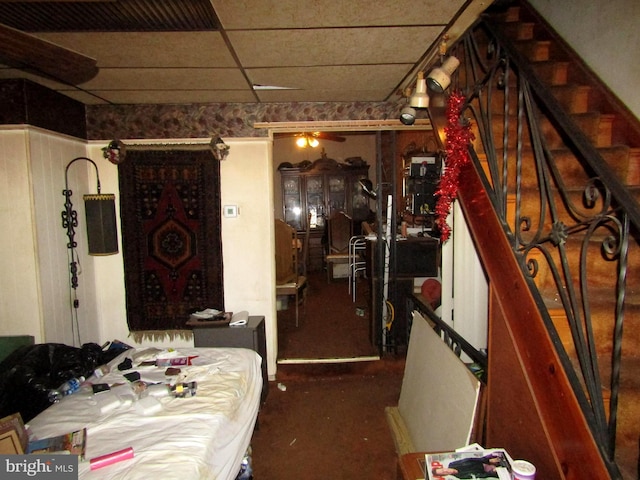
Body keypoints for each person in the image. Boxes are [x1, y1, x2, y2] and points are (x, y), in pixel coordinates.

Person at [431, 453, 505, 479]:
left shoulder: (453, 464)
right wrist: (492, 472)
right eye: (443, 473)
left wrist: (487, 460)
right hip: (486, 471)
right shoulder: (460, 476)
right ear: (445, 475)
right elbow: (479, 476)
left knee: (496, 454)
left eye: (443, 470)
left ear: (443, 467)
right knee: (502, 471)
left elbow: (469, 460)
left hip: (483, 461)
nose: (445, 471)